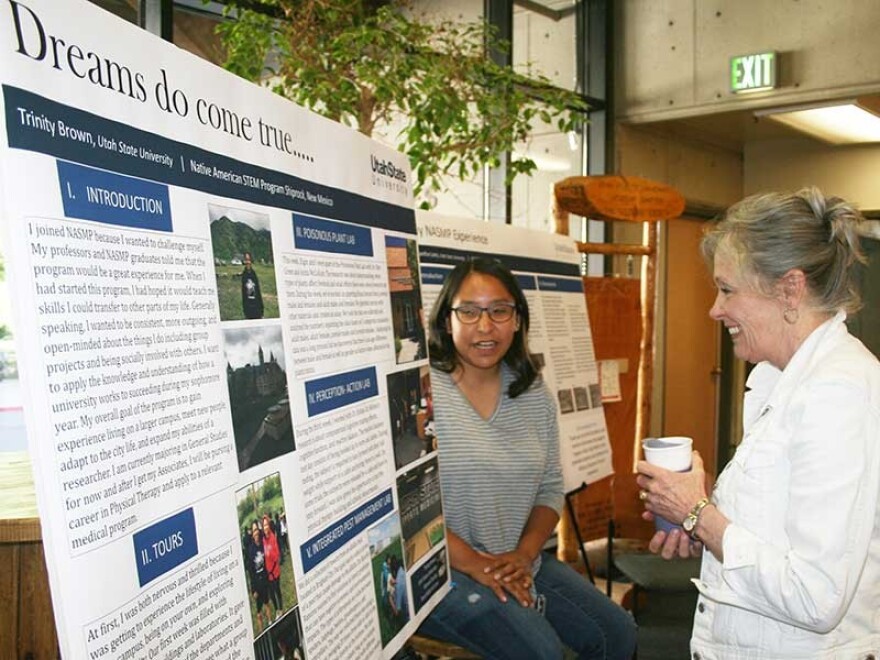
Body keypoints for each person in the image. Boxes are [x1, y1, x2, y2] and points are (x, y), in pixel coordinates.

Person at [636, 188, 880, 658]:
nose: (715, 308)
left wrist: (697, 514)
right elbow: (777, 533)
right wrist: (703, 518)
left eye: (727, 288)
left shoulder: (837, 394)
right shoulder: (781, 380)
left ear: (789, 289)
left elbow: (816, 595)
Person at [417, 257, 637, 659]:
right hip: (442, 569)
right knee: (542, 653)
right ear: (447, 320)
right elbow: (403, 503)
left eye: (499, 310)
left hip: (518, 558)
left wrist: (524, 553)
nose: (485, 326)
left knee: (617, 633)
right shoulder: (423, 392)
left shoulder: (532, 392)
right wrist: (474, 564)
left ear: (517, 320)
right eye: (469, 311)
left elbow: (551, 486)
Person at [245, 521, 273, 632]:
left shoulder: (262, 544)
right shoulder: (250, 550)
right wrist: (253, 589)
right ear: (252, 533)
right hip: (257, 583)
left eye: (257, 530)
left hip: (265, 579)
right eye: (254, 530)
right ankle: (262, 630)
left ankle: (270, 621)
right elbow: (251, 572)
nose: (256, 532)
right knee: (258, 611)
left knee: (266, 602)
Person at [262, 514, 283, 619]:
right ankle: (277, 610)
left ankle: (281, 608)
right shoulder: (263, 541)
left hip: (275, 571)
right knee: (271, 593)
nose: (265, 527)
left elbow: (276, 555)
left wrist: (270, 553)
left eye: (267, 525)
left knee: (277, 590)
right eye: (264, 525)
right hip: (268, 573)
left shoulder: (272, 538)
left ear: (269, 526)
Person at [241, 251, 264, 319]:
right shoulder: (244, 275)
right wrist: (245, 309)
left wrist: (261, 309)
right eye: (246, 260)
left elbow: (258, 291)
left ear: (251, 261)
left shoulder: (254, 274)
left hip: (256, 306)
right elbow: (243, 294)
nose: (248, 262)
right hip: (248, 307)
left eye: (249, 260)